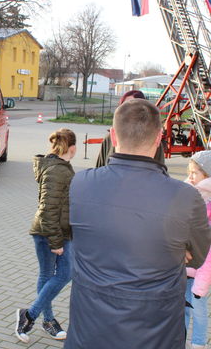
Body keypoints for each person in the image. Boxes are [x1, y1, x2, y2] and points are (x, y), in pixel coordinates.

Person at [65, 99, 211, 349]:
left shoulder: (81, 183)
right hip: (155, 331)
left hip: (88, 329)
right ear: (158, 138)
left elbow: (77, 235)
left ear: (113, 135)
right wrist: (173, 251)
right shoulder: (185, 196)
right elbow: (197, 256)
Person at [16, 128, 76, 343]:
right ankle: (38, 317)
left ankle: (37, 317)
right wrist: (55, 241)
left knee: (54, 275)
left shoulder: (59, 167)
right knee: (60, 274)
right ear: (73, 148)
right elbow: (47, 208)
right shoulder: (56, 170)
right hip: (48, 233)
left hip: (60, 232)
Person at [96, 90, 165, 167]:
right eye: (123, 106)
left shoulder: (154, 141)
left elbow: (160, 172)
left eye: (131, 106)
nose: (126, 110)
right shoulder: (109, 139)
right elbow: (100, 168)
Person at [185, 150, 211, 349]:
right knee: (181, 309)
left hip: (200, 273)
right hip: (183, 268)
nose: (191, 177)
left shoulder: (208, 206)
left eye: (196, 173)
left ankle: (198, 343)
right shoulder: (189, 197)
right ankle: (178, 339)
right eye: (190, 172)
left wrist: (202, 282)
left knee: (199, 309)